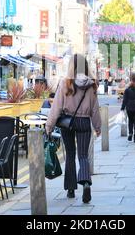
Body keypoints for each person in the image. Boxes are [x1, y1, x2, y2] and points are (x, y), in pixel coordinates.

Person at [45, 54, 101, 204]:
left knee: (70, 154)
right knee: (83, 155)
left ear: (71, 66)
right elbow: (95, 109)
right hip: (84, 122)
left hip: (67, 122)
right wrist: (98, 126)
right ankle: (86, 183)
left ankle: (70, 189)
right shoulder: (92, 84)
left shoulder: (65, 83)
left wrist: (49, 126)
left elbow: (56, 107)